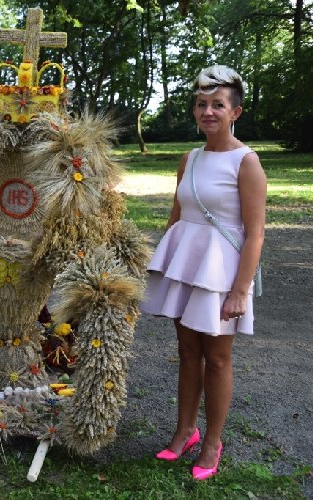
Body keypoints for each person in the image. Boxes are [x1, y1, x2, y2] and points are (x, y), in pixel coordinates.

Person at [140, 65, 266, 480]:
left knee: (217, 357)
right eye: (201, 104)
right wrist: (161, 266)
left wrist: (240, 291)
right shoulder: (189, 159)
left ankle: (212, 442)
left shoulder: (246, 162)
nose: (208, 112)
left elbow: (255, 234)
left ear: (235, 112)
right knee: (188, 351)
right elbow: (177, 217)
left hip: (221, 274)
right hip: (187, 265)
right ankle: (185, 432)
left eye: (218, 105)